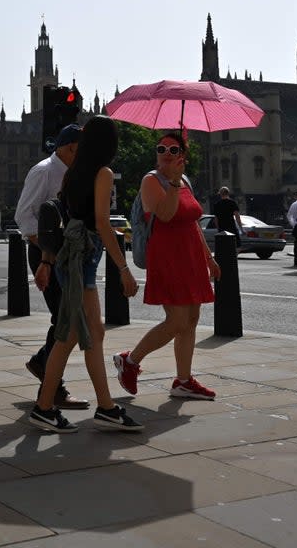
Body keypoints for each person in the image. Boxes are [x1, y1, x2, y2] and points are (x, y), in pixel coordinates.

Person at [31, 115, 141, 433]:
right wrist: (124, 269)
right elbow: (103, 224)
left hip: (75, 258)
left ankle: (104, 407)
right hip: (83, 260)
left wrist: (47, 262)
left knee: (90, 334)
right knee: (71, 337)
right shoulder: (102, 173)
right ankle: (45, 408)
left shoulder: (74, 173)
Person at [114, 131, 221, 402]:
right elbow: (164, 214)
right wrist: (172, 183)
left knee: (192, 319)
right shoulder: (151, 180)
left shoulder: (185, 180)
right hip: (167, 256)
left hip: (191, 256)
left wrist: (208, 257)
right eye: (161, 148)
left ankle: (183, 381)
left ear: (182, 156)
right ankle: (130, 360)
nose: (166, 154)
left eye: (173, 150)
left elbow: (193, 222)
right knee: (177, 320)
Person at [14, 123, 88, 411]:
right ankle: (52, 386)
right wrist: (48, 251)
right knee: (64, 319)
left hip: (64, 255)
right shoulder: (44, 171)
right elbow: (24, 217)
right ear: (70, 148)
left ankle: (43, 364)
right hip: (45, 254)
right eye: (81, 152)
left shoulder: (71, 173)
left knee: (65, 318)